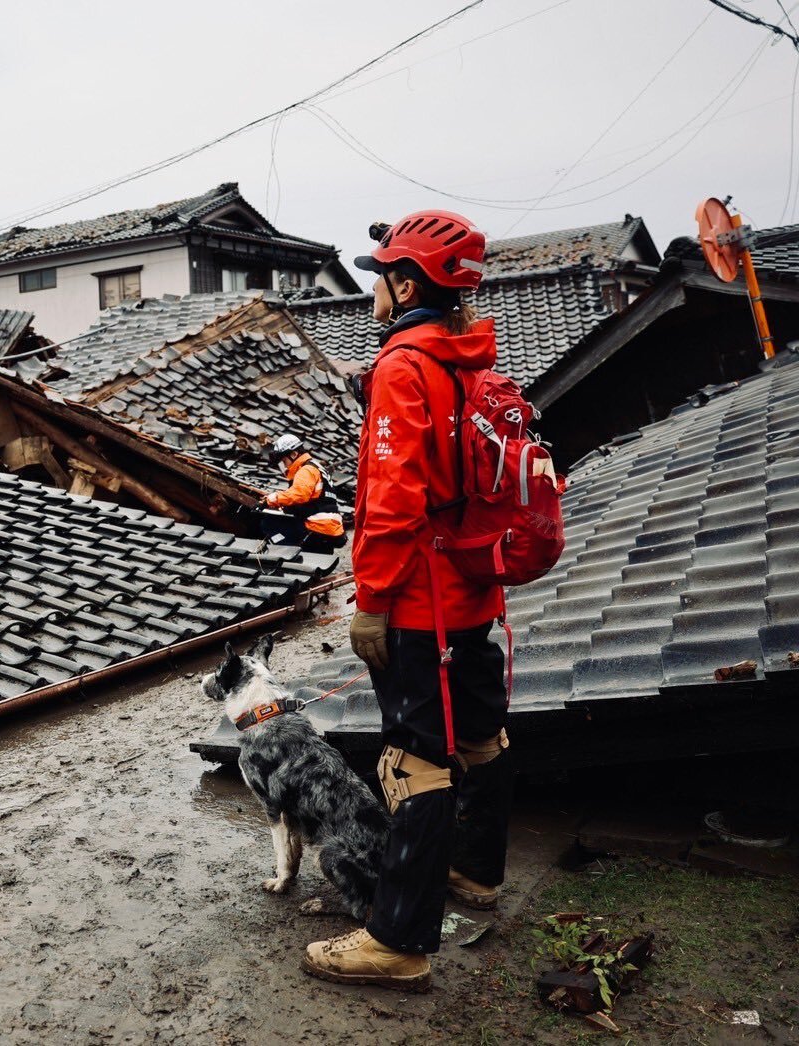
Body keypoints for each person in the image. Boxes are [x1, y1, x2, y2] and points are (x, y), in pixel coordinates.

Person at [302, 210, 511, 992]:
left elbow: (392, 497)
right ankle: (477, 872)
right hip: (474, 587)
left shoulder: (403, 367)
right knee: (481, 736)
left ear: (406, 283)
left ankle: (398, 940)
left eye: (383, 275)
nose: (376, 291)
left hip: (421, 594)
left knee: (414, 760)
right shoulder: (474, 362)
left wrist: (371, 599)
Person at [260, 434, 346, 552]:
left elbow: (299, 495)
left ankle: (281, 558)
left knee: (269, 523)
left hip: (317, 526)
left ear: (294, 454)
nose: (284, 465)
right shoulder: (315, 466)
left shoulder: (305, 470)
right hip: (329, 525)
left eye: (284, 460)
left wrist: (272, 498)